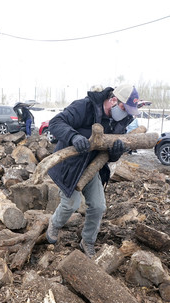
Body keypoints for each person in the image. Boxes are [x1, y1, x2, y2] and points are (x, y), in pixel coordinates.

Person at [45, 85, 141, 258]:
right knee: (71, 204)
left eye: (129, 111)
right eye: (123, 108)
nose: (126, 114)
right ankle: (55, 223)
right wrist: (73, 136)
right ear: (113, 100)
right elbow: (56, 123)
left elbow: (110, 158)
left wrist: (116, 151)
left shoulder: (120, 122)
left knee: (98, 206)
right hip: (69, 164)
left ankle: (87, 240)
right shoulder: (86, 106)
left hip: (92, 167)